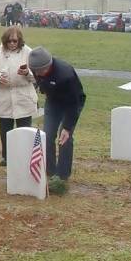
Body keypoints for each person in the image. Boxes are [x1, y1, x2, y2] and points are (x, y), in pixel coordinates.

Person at [28, 46, 86, 181]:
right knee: (47, 135)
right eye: (37, 71)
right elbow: (41, 82)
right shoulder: (36, 68)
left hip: (72, 102)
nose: (39, 73)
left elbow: (74, 103)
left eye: (42, 70)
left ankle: (62, 175)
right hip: (53, 101)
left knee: (64, 138)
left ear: (49, 64)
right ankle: (50, 172)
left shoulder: (66, 74)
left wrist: (67, 127)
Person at [0, 26, 37, 166]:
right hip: (3, 97)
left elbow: (37, 76)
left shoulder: (29, 53)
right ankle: (7, 157)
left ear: (20, 40)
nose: (12, 44)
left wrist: (27, 73)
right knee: (5, 130)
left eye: (15, 41)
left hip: (23, 97)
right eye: (9, 41)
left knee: (24, 130)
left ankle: (25, 156)